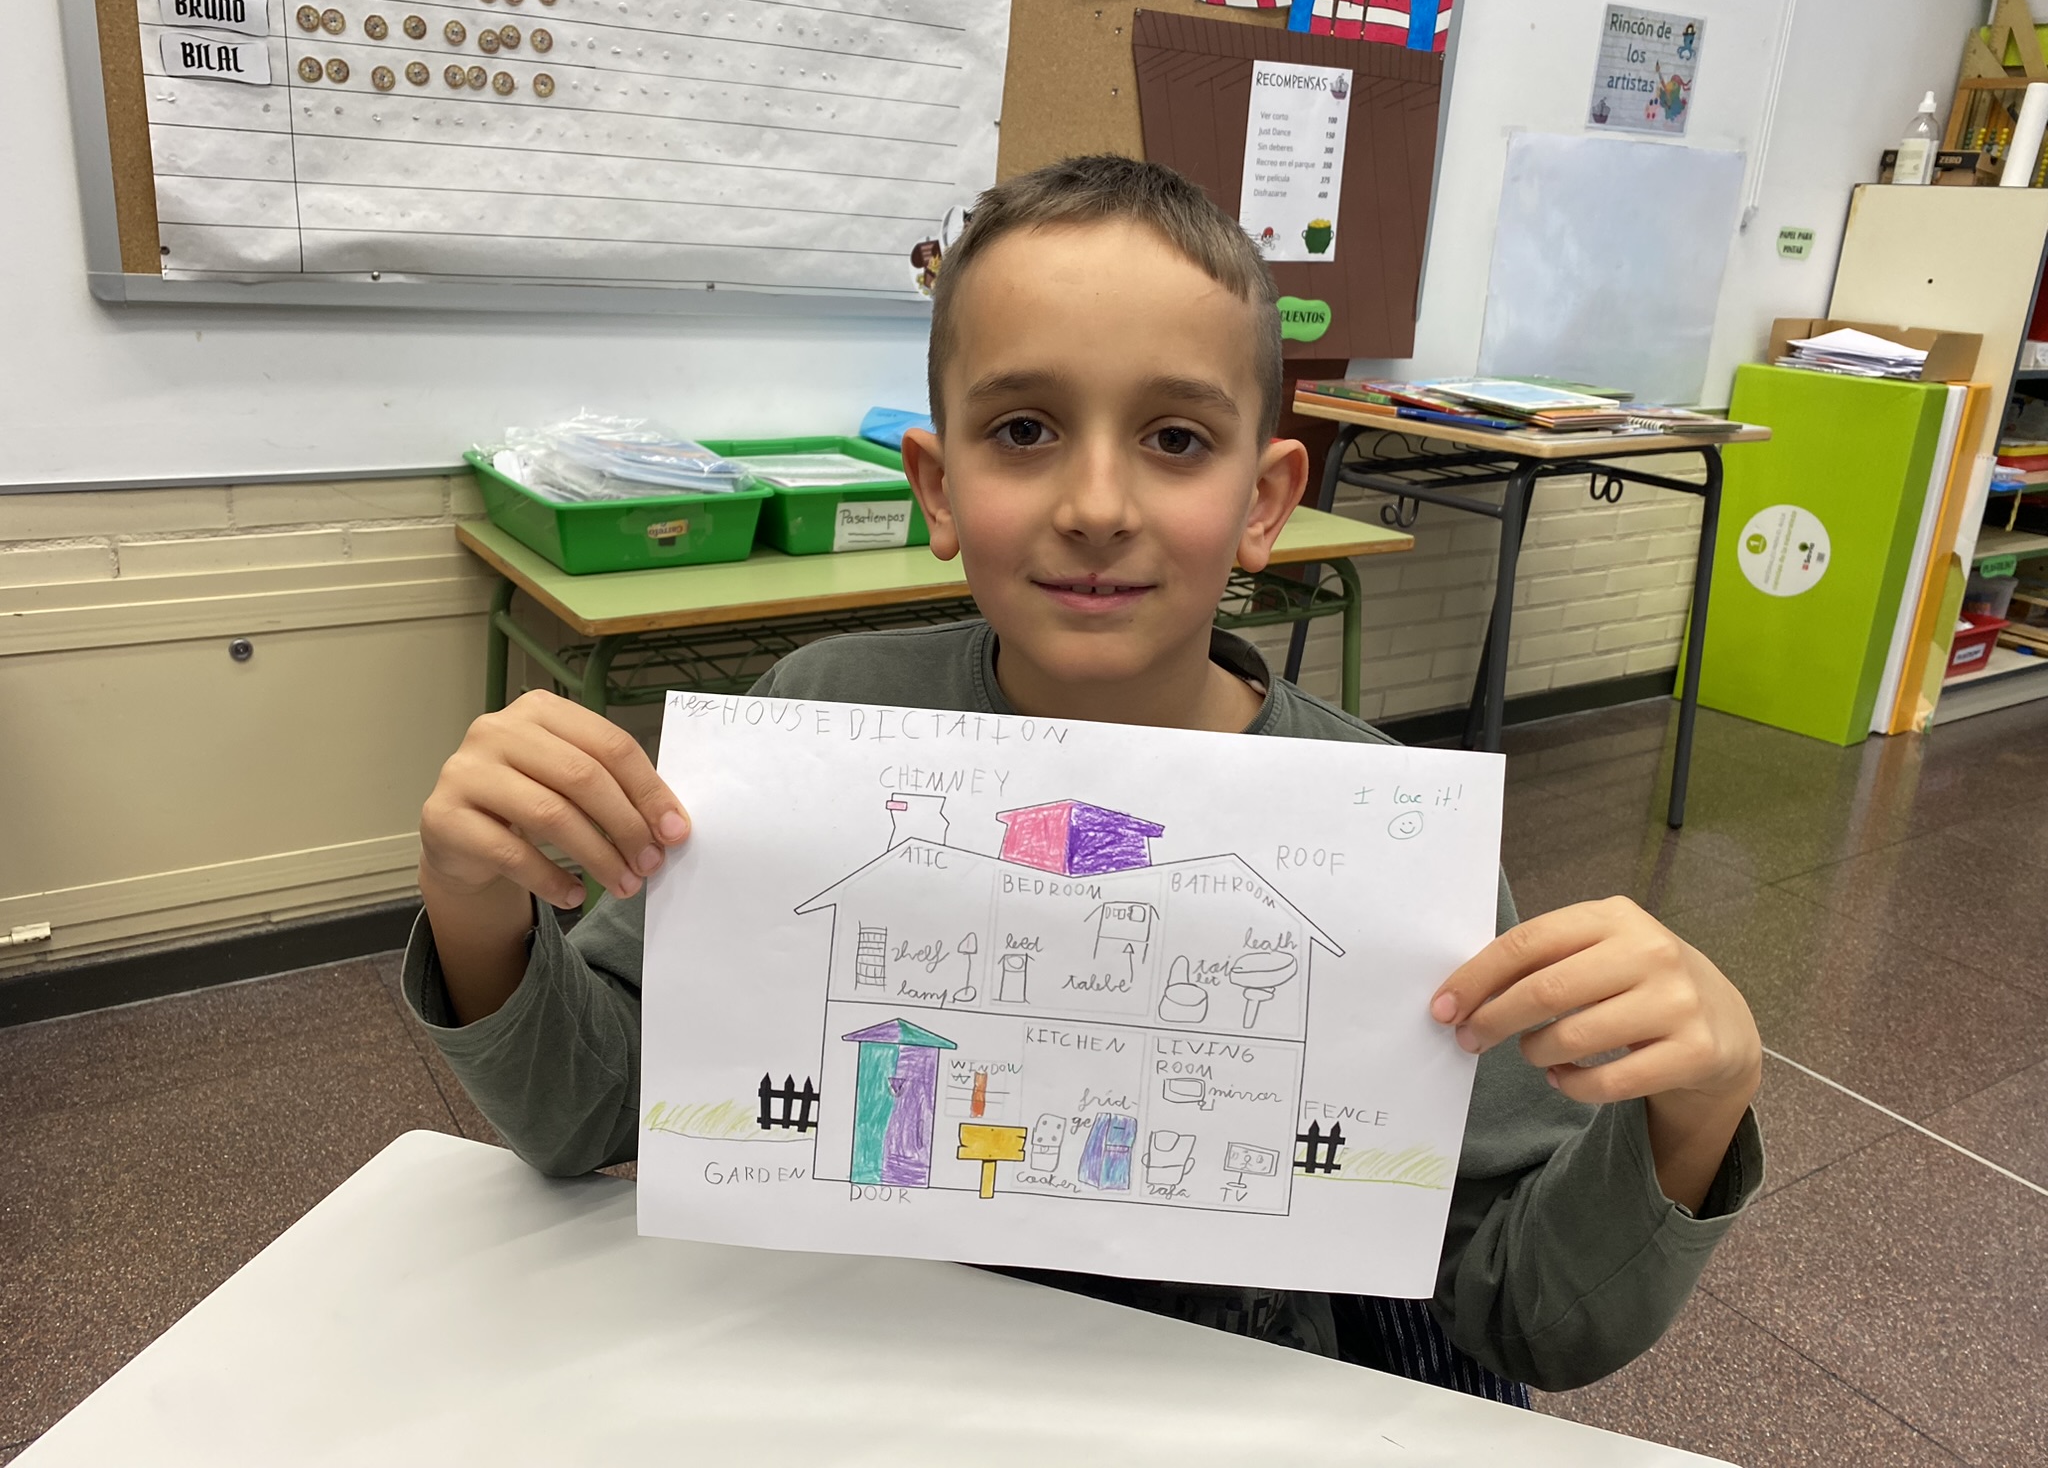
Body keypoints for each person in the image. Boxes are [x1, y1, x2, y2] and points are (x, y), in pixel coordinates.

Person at [406, 155, 1763, 1403]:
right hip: (845, 1373)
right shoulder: (821, 724)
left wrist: (1691, 1113)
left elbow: (1522, 1313)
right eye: (1023, 430)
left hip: (1215, 1402)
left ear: (1265, 500)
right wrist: (476, 903)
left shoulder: (1382, 834)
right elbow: (588, 1111)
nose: (1097, 506)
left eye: (1176, 440)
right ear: (937, 486)